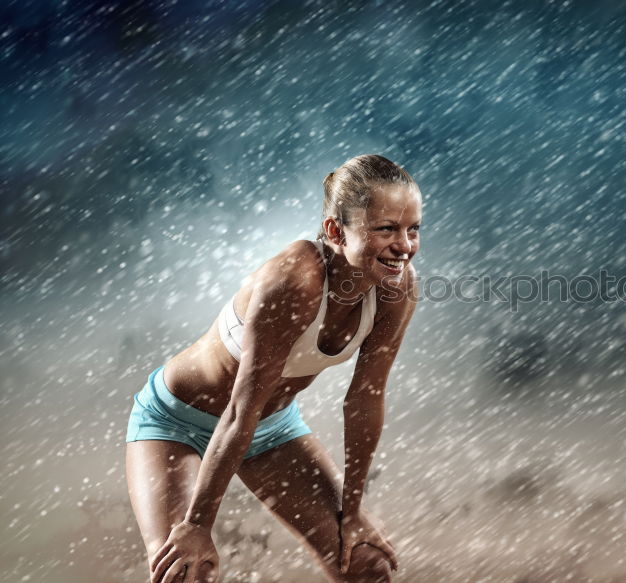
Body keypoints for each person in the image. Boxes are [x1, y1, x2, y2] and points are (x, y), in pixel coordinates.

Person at [125, 154, 421, 583]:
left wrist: (352, 514)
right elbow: (240, 409)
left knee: (364, 564)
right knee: (187, 572)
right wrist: (196, 525)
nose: (405, 245)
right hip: (175, 423)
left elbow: (364, 399)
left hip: (269, 428)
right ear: (336, 231)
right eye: (386, 229)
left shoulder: (398, 287)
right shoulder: (295, 278)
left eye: (413, 229)